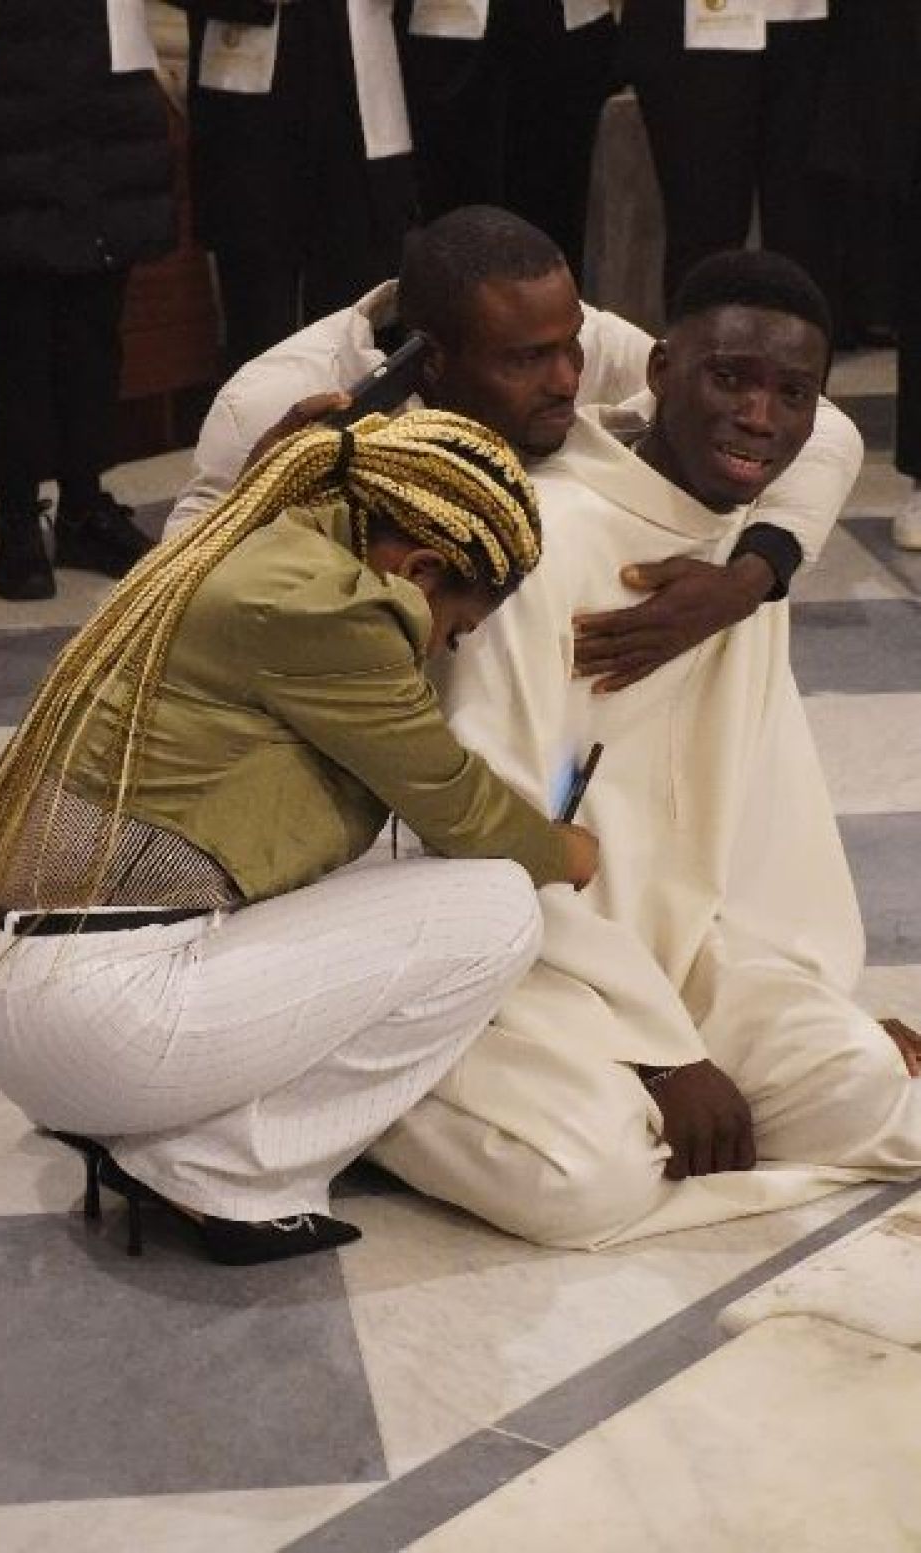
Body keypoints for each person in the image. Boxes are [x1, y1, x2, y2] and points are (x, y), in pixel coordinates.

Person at [0, 408, 598, 1268]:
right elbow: (458, 804)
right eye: (456, 628)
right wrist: (565, 851)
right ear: (421, 566)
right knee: (499, 906)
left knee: (386, 855)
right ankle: (216, 1165)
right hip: (90, 1021)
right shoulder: (332, 611)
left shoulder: (265, 542)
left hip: (17, 989)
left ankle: (161, 1126)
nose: (442, 648)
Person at [370, 250, 921, 1247]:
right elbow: (485, 833)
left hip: (687, 955)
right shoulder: (539, 540)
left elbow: (758, 826)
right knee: (590, 1178)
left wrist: (796, 1001)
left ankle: (674, 1093)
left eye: (791, 394)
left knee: (871, 1092)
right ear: (658, 369)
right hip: (528, 964)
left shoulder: (741, 568)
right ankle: (369, 1096)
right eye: (729, 378)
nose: (760, 415)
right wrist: (664, 1055)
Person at [166, 205, 863, 695]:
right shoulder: (270, 401)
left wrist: (746, 585)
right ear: (433, 362)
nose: (567, 380)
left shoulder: (555, 329)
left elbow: (823, 426)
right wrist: (259, 504)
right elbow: (164, 618)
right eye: (530, 361)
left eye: (572, 348)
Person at [0, 0, 173, 602]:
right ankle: (16, 518)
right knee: (14, 320)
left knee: (95, 316)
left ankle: (84, 508)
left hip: (107, 80)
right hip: (0, 76)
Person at [164, 0, 415, 374]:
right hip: (248, 111)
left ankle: (361, 429)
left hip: (365, 103)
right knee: (258, 322)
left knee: (361, 321)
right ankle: (261, 430)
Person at [620, 1, 838, 311]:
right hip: (693, 30)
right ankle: (704, 353)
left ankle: (799, 353)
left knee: (804, 227)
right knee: (704, 227)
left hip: (807, 24)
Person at [394, 0, 619, 286]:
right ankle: (457, 324)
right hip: (446, 30)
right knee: (456, 221)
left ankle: (549, 323)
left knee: (555, 212)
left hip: (563, 30)